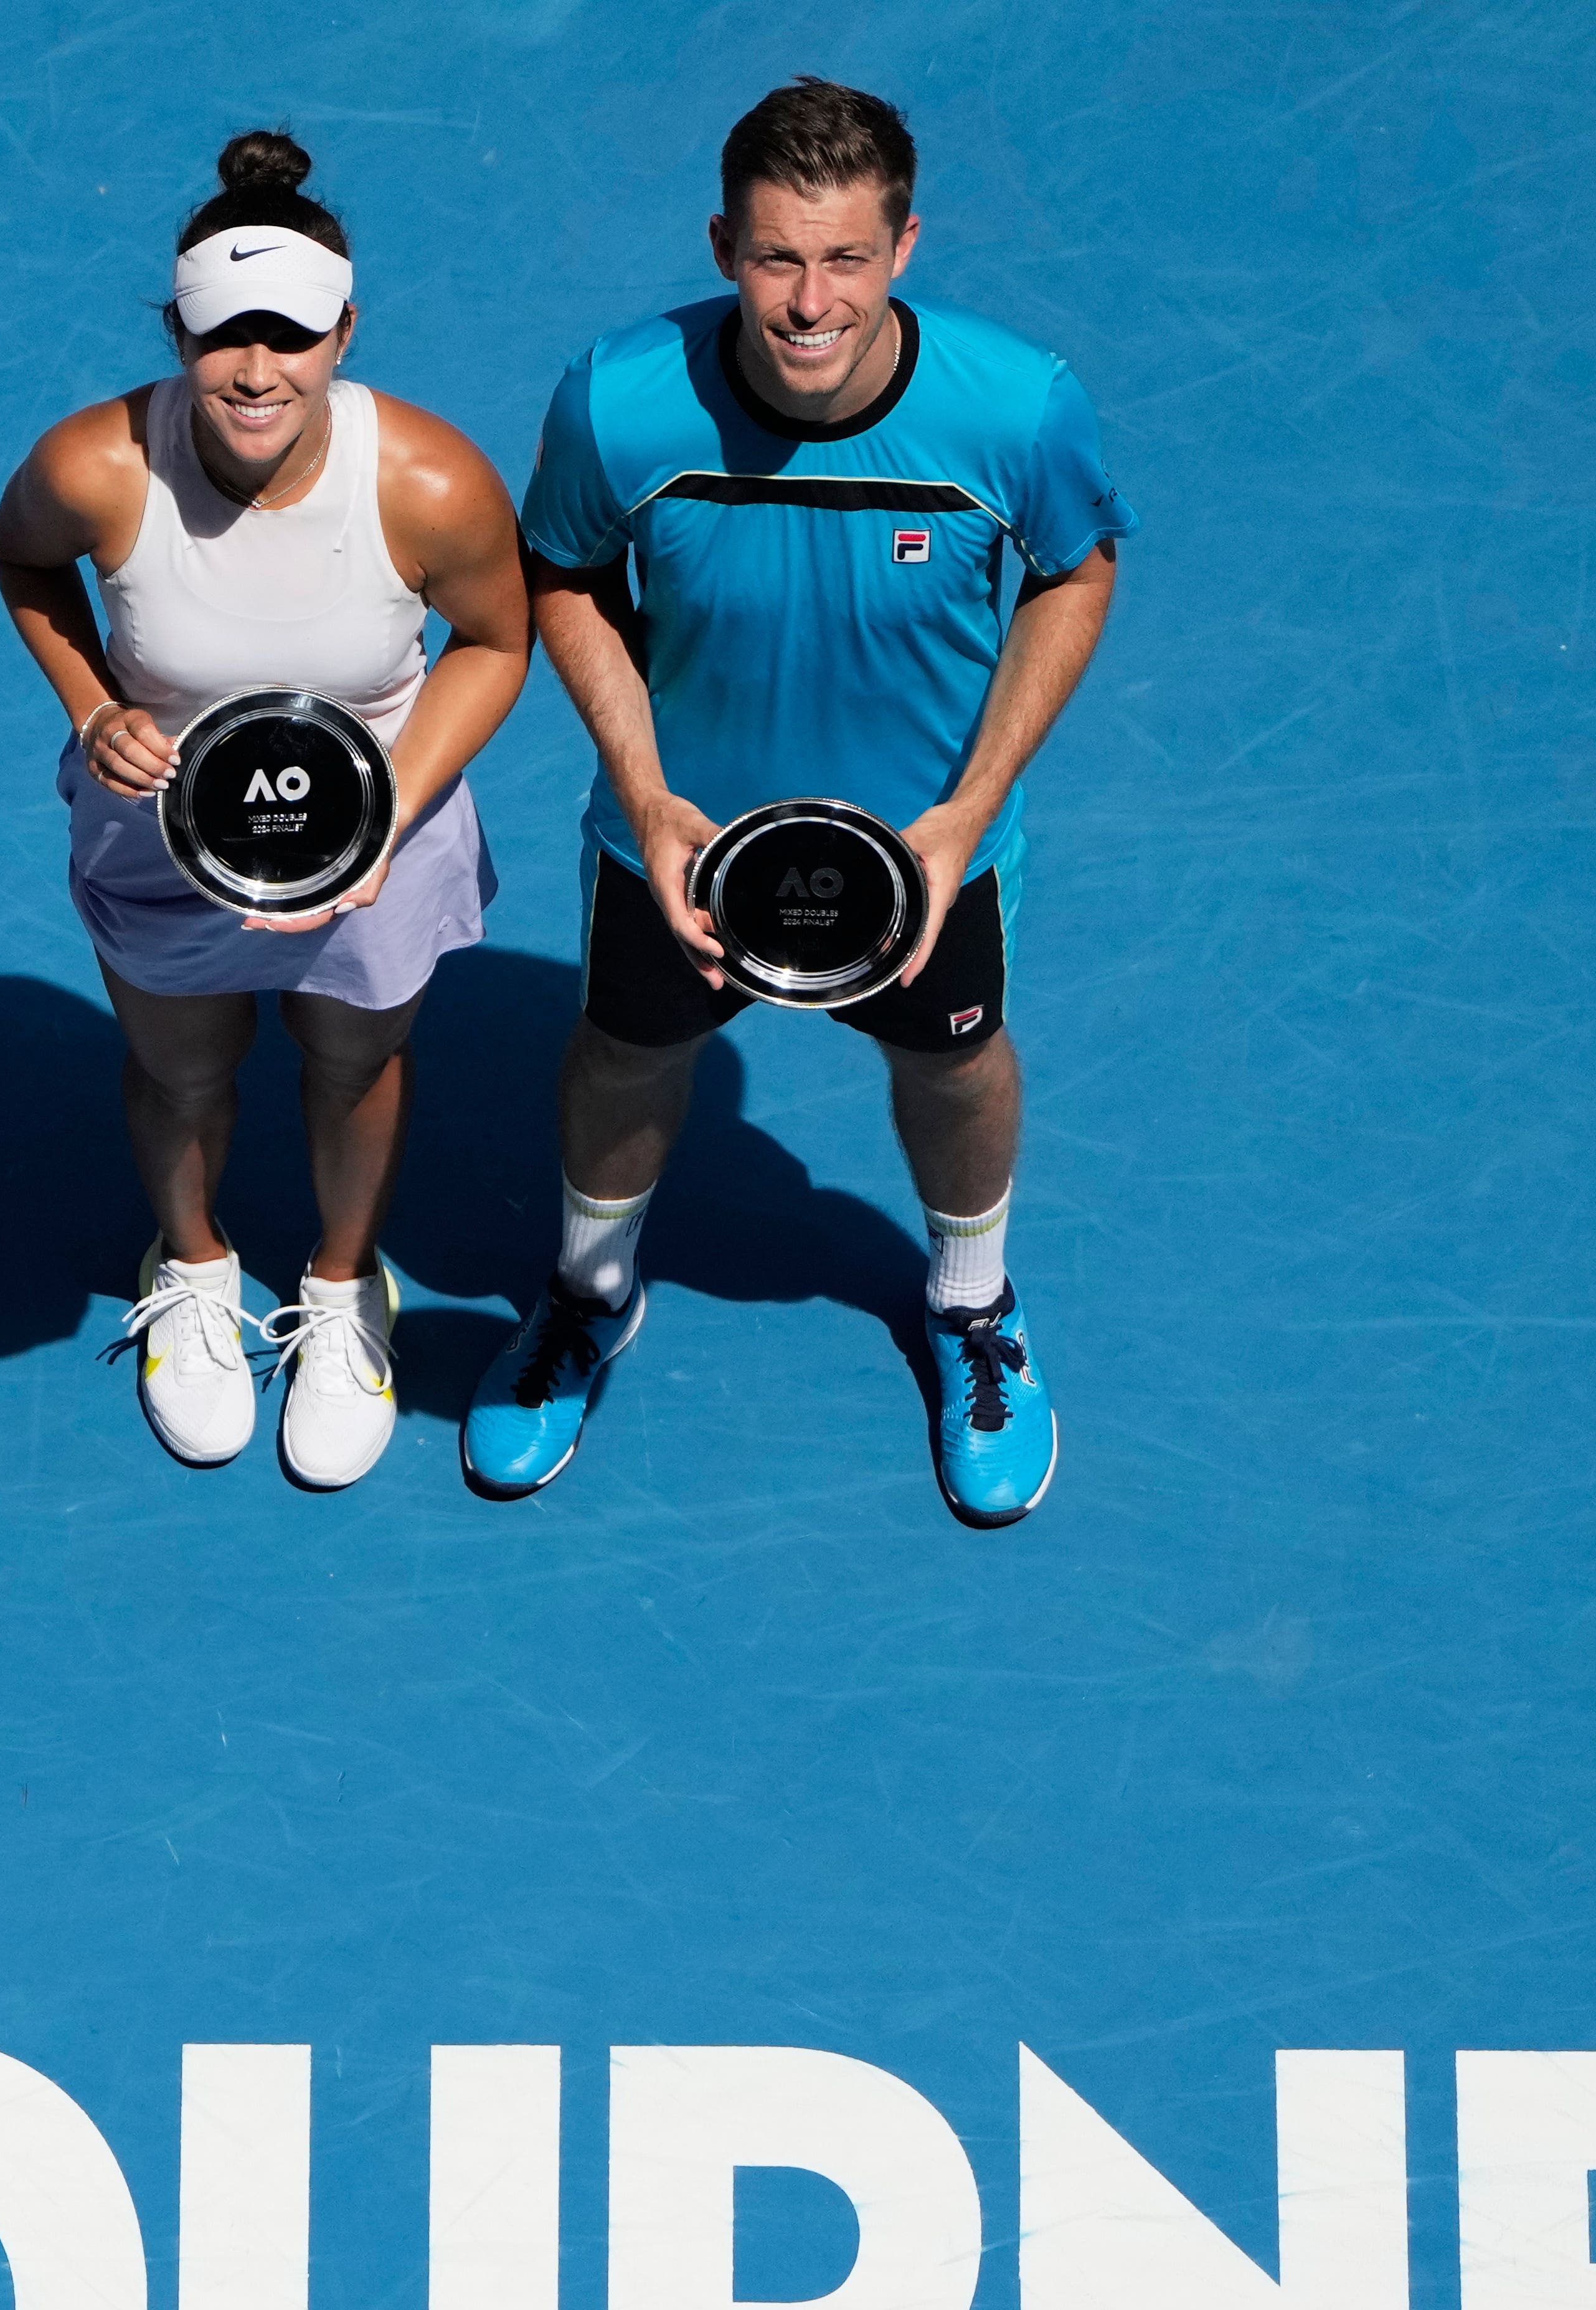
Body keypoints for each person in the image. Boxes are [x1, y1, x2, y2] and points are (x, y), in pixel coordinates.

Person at [467, 77, 1133, 1524]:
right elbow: (564, 578)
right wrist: (644, 795)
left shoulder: (1016, 406)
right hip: (681, 845)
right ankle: (587, 1297)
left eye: (842, 258)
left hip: (922, 856)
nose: (808, 300)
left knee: (955, 1066)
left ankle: (973, 1309)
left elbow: (1074, 572)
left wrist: (972, 808)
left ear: (902, 248)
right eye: (776, 257)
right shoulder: (620, 399)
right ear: (723, 245)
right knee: (625, 1056)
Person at [0, 130, 529, 1487]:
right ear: (178, 331)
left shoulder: (427, 482)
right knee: (181, 1069)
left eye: (289, 335)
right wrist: (92, 706)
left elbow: (495, 642)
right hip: (160, 838)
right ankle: (191, 1264)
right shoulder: (93, 468)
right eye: (224, 335)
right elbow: (23, 564)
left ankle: (346, 1287)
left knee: (353, 1065)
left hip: (378, 843)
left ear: (341, 331)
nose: (254, 370)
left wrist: (392, 812)